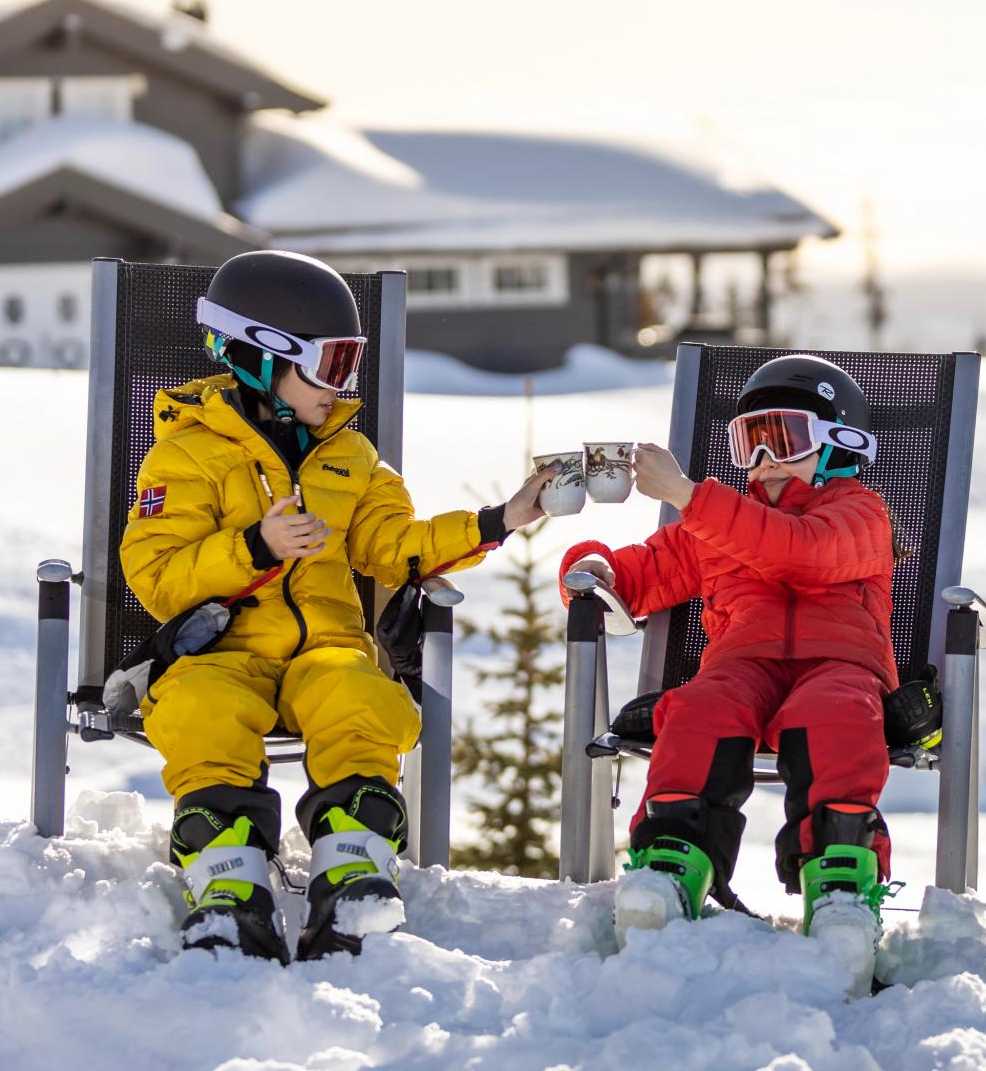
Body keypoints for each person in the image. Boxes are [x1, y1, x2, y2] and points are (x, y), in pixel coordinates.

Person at [121, 250, 553, 964]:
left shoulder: (349, 456)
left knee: (358, 695)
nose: (342, 386)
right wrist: (254, 547)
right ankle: (230, 892)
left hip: (325, 653)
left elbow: (396, 547)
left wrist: (496, 520)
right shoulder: (187, 457)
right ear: (261, 357)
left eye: (351, 365)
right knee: (200, 712)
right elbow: (157, 576)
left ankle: (352, 879)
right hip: (224, 657)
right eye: (329, 366)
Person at [558, 354, 898, 985]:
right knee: (696, 709)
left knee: (836, 715)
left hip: (839, 665)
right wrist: (594, 567)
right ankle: (671, 863)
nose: (763, 462)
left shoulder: (860, 513)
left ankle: (842, 884)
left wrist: (689, 496)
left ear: (838, 445)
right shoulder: (714, 525)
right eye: (750, 444)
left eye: (783, 440)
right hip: (742, 665)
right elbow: (642, 575)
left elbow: (801, 554)